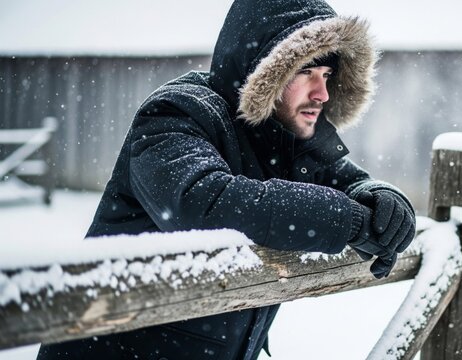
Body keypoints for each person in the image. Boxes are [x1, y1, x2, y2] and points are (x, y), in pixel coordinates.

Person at [37, 0, 415, 359]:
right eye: (306, 73)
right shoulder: (177, 114)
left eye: (328, 75)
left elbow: (350, 184)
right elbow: (205, 202)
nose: (322, 93)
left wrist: (382, 200)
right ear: (265, 70)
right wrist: (345, 220)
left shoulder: (286, 135)